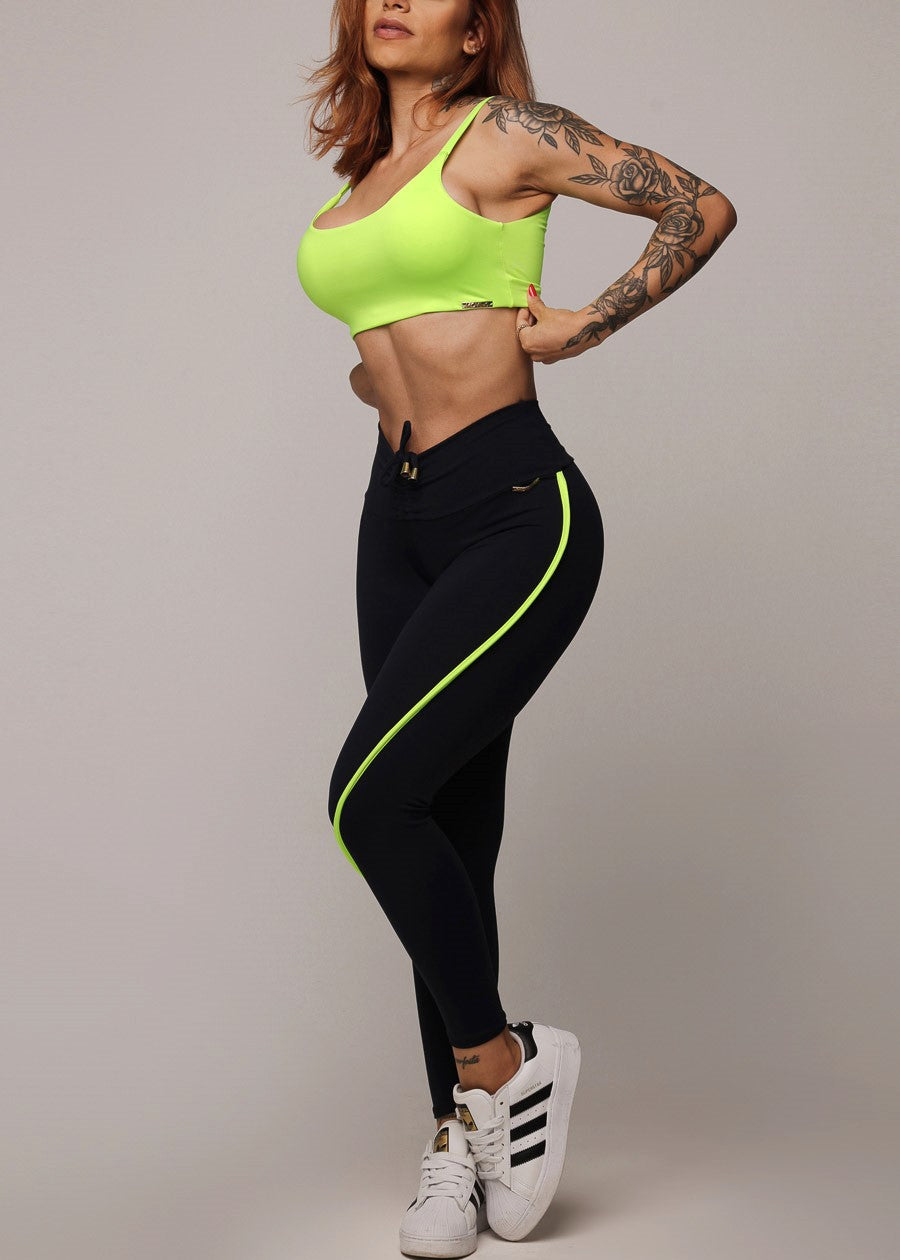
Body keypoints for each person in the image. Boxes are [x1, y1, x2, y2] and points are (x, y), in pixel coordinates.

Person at [295, 3, 737, 1254]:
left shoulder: (506, 135)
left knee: (369, 801)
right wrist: (385, 373)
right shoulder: (358, 177)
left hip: (512, 507)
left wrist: (583, 323)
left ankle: (504, 1061)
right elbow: (383, 338)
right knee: (438, 829)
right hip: (398, 515)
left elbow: (698, 205)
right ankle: (462, 1139)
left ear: (478, 28)